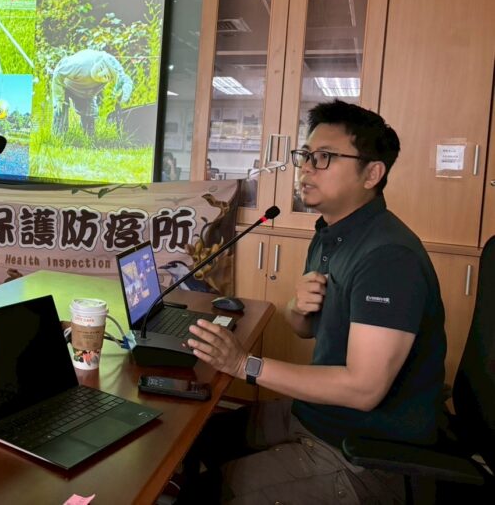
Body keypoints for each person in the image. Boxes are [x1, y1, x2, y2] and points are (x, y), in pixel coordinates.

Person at [175, 99, 446, 504]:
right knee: (197, 438)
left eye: (324, 158)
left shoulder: (389, 257)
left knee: (205, 494)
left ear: (372, 173)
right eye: (305, 155)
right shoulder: (331, 233)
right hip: (317, 414)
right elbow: (306, 329)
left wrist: (242, 364)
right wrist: (295, 307)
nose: (305, 168)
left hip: (362, 454)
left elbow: (363, 388)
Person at [51, 49, 133, 136]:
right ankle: (58, 139)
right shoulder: (80, 64)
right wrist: (59, 99)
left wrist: (123, 96)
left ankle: (88, 141)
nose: (102, 75)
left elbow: (126, 81)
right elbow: (58, 73)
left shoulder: (117, 71)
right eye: (102, 69)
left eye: (108, 76)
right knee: (60, 112)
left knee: (89, 119)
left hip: (86, 93)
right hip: (65, 85)